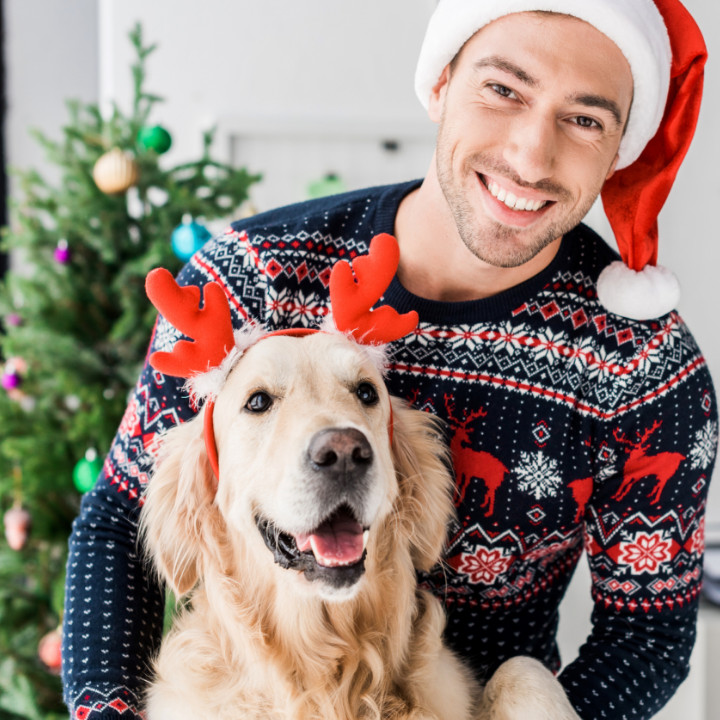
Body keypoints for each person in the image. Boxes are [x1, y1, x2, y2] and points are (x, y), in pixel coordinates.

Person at [62, 1, 717, 718]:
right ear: (440, 82)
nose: (532, 155)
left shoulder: (644, 367)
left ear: (621, 147)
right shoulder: (245, 280)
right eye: (503, 90)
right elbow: (122, 519)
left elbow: (645, 638)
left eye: (585, 119)